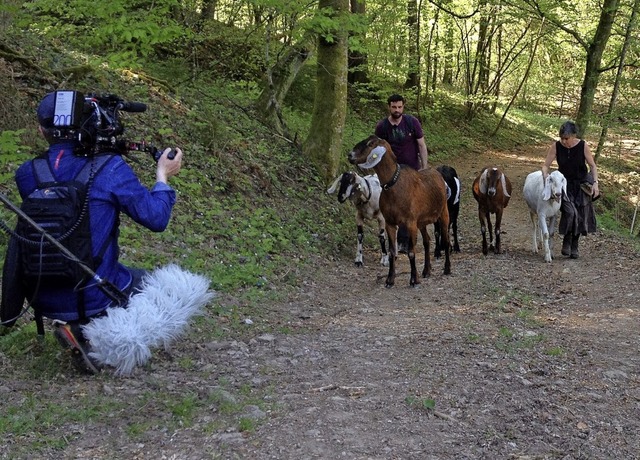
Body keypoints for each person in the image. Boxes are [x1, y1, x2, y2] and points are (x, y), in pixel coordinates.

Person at [13, 91, 183, 373]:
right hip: (92, 293)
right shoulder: (109, 169)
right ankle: (96, 340)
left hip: (41, 295)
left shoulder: (27, 173)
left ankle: (73, 325)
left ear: (41, 130)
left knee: (104, 272)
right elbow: (156, 218)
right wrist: (162, 175)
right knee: (152, 283)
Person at [374, 94, 429, 253]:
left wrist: (424, 168)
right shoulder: (382, 127)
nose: (397, 110)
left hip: (411, 170)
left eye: (399, 107)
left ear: (403, 107)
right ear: (389, 107)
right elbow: (377, 150)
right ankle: (392, 238)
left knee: (408, 205)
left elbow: (421, 145)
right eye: (394, 107)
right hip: (391, 173)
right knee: (392, 204)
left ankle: (405, 242)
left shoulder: (412, 123)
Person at [542, 121, 599, 259]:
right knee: (570, 212)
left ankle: (574, 244)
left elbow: (592, 166)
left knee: (580, 215)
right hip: (563, 185)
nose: (563, 141)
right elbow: (545, 166)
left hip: (581, 184)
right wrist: (546, 179)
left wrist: (596, 183)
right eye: (562, 138)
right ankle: (567, 239)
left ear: (574, 136)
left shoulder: (583, 146)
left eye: (566, 138)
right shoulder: (556, 146)